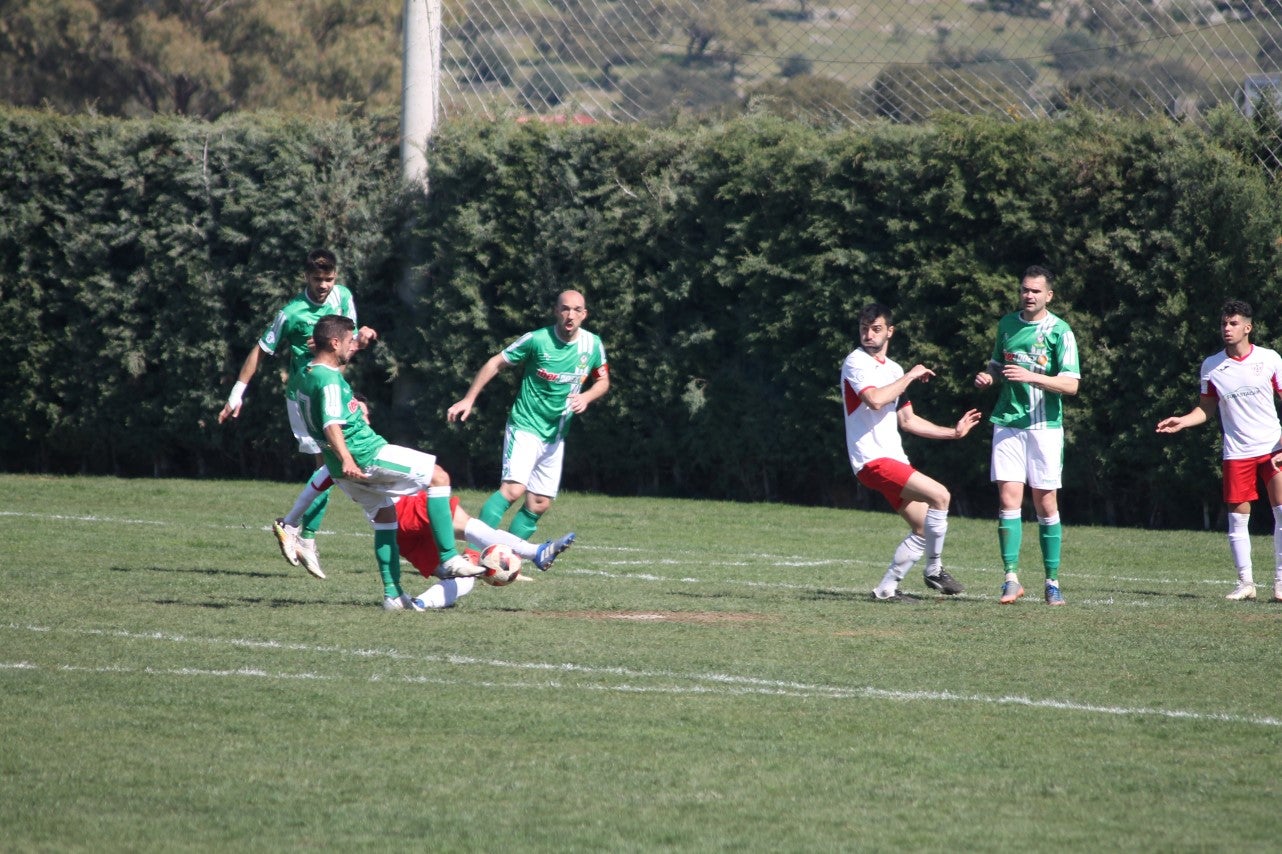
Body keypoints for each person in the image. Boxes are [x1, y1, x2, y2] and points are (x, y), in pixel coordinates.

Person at [295, 314, 482, 610]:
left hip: (339, 469)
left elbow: (329, 356)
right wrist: (347, 457)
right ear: (333, 343)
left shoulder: (307, 373)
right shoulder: (330, 381)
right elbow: (332, 423)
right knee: (439, 477)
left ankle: (393, 595)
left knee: (385, 518)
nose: (351, 347)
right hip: (364, 454)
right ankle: (449, 558)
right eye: (347, 341)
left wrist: (357, 341)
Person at [218, 249, 378, 580]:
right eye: (317, 279)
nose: (323, 285)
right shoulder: (291, 313)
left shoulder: (343, 297)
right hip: (306, 397)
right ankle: (301, 533)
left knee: (333, 469)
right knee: (333, 466)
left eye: (329, 279)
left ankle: (298, 531)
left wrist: (362, 339)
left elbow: (349, 343)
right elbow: (260, 351)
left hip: (335, 391)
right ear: (306, 277)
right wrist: (236, 394)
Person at [843, 304, 982, 602]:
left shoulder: (892, 370)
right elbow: (875, 400)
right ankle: (934, 570)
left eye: (876, 328)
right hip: (871, 460)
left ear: (890, 332)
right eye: (864, 328)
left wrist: (953, 433)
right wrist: (909, 376)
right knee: (941, 495)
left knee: (922, 529)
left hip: (892, 460)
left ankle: (885, 589)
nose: (868, 334)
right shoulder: (855, 362)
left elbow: (908, 420)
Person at [446, 290, 609, 541]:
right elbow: (495, 363)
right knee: (513, 489)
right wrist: (469, 399)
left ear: (584, 314)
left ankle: (508, 560)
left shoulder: (592, 344)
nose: (570, 315)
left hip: (556, 434)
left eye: (577, 310)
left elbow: (603, 381)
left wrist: (586, 397)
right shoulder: (536, 340)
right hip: (525, 425)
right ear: (556, 311)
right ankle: (473, 556)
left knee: (540, 502)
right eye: (565, 308)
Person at [1156, 299, 1282, 603]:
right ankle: (1245, 583)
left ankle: (1280, 582)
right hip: (1236, 452)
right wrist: (1183, 422)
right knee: (1238, 518)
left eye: (1234, 323)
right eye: (1224, 323)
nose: (1227, 328)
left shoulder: (1270, 359)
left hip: (1273, 447)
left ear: (1248, 328)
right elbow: (1207, 408)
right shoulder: (1212, 366)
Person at [973, 265, 1080, 606]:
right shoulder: (1006, 324)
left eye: (1036, 291)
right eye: (1025, 290)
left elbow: (1071, 384)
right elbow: (996, 364)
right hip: (1007, 422)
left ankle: (1052, 581)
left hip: (1044, 427)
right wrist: (989, 377)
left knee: (1045, 503)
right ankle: (1010, 578)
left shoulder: (1060, 331)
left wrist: (1031, 377)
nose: (1029, 295)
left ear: (1049, 295)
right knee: (1008, 500)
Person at [394, 489, 576, 608]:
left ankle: (420, 603)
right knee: (468, 525)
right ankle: (536, 552)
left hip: (387, 523)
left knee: (459, 574)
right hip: (406, 504)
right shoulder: (372, 446)